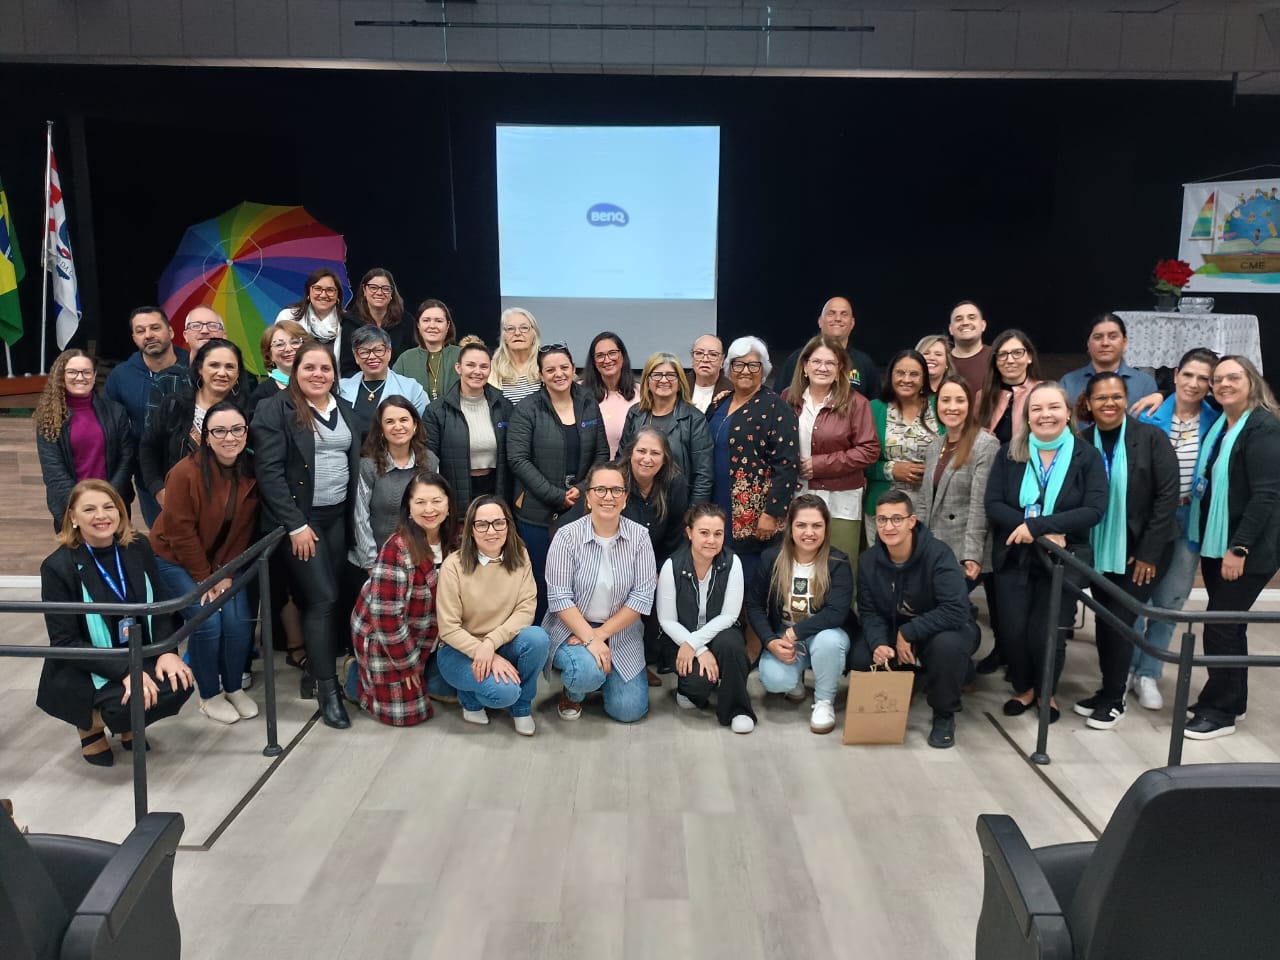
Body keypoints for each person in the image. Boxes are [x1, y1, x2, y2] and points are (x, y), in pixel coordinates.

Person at [36, 480, 195, 766]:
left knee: (180, 681)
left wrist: (167, 651)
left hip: (136, 648)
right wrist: (126, 672)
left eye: (109, 507)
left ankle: (127, 723)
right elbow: (66, 642)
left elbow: (158, 606)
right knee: (128, 702)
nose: (101, 516)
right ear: (72, 517)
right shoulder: (57, 567)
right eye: (89, 509)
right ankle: (91, 726)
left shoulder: (137, 546)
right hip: (89, 664)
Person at [251, 342, 361, 729]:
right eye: (309, 368)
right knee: (323, 598)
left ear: (335, 374)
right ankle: (328, 692)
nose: (318, 374)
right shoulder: (274, 410)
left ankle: (315, 671)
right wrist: (296, 525)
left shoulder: (343, 408)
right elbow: (269, 474)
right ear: (294, 371)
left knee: (330, 597)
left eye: (325, 369)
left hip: (337, 519)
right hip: (302, 523)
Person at [985, 381, 1107, 722]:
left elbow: (1095, 508)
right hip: (1015, 557)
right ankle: (1024, 689)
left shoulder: (1086, 456)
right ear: (1027, 417)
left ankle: (1047, 693)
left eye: (1053, 407)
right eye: (1036, 409)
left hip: (1062, 560)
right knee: (1013, 630)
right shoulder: (1010, 452)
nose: (1045, 415)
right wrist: (1037, 529)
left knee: (1047, 632)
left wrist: (1035, 527)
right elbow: (993, 503)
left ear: (1067, 413)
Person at [1073, 373, 1179, 730]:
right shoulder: (1082, 441)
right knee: (1107, 620)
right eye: (1100, 398)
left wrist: (1148, 553)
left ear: (1126, 398)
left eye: (1116, 397)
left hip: (1143, 553)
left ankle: (1116, 699)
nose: (1109, 404)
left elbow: (1166, 498)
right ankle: (1108, 690)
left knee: (1118, 620)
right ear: (1088, 402)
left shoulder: (1151, 437)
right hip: (1100, 550)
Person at [1183, 356, 1280, 740]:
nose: (1223, 384)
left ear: (1252, 381)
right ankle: (1230, 699)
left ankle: (1219, 712)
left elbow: (1267, 495)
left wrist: (1238, 548)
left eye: (1232, 378)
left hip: (1245, 548)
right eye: (1217, 379)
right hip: (1216, 539)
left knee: (1221, 625)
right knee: (1230, 624)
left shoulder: (1263, 428)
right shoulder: (1225, 423)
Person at [149, 401, 261, 725]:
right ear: (205, 436)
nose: (230, 437)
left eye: (237, 429)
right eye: (220, 431)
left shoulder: (251, 470)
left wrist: (225, 573)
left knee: (239, 622)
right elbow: (179, 532)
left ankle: (233, 687)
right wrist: (205, 578)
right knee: (208, 623)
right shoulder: (184, 472)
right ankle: (209, 694)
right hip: (175, 560)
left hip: (223, 564)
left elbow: (245, 530)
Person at [854, 491, 980, 749]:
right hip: (895, 628)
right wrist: (879, 643)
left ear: (912, 521)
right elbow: (869, 612)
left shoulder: (938, 554)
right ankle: (913, 675)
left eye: (897, 519)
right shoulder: (868, 561)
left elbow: (956, 609)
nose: (888, 527)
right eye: (882, 520)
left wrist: (908, 633)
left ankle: (944, 713)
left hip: (946, 628)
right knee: (860, 656)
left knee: (947, 649)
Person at [1130, 348, 1220, 710]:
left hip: (1189, 518)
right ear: (1177, 374)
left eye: (1204, 379)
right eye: (1189, 375)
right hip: (1150, 519)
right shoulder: (1150, 413)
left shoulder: (1216, 420)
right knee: (1136, 596)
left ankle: (1149, 672)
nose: (1195, 384)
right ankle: (1126, 667)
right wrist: (1161, 395)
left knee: (1171, 600)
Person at [543, 462, 657, 723]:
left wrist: (601, 635)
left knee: (629, 710)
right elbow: (559, 597)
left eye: (617, 490)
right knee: (585, 672)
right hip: (572, 629)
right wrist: (589, 638)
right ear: (589, 497)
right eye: (601, 490)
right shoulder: (566, 536)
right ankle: (576, 690)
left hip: (620, 631)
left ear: (625, 498)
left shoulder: (639, 537)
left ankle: (605, 675)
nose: (609, 497)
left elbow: (642, 597)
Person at [434, 495, 551, 735]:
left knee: (538, 638)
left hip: (500, 642)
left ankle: (522, 707)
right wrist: (483, 651)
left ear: (508, 525)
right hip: (459, 651)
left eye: (499, 523)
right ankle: (470, 700)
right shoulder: (453, 566)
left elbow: (526, 609)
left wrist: (492, 643)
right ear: (471, 529)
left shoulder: (520, 556)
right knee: (503, 693)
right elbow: (448, 628)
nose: (491, 531)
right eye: (482, 524)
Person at [348, 473, 457, 726]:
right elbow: (386, 620)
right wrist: (407, 665)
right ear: (408, 508)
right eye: (420, 502)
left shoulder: (456, 541)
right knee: (408, 716)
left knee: (463, 691)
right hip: (385, 637)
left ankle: (426, 674)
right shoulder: (396, 549)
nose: (429, 509)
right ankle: (357, 676)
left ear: (449, 504)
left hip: (429, 635)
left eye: (436, 501)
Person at [507, 343, 608, 614]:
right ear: (540, 375)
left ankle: (573, 640)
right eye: (550, 370)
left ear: (574, 370)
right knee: (541, 579)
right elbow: (517, 459)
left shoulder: (588, 402)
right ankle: (542, 643)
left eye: (564, 367)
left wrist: (582, 488)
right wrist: (556, 495)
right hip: (536, 513)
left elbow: (601, 454)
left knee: (577, 579)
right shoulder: (527, 409)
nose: (558, 374)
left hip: (581, 508)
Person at [747, 494, 853, 735]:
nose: (809, 532)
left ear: (826, 527)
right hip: (782, 636)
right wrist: (770, 642)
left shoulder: (838, 562)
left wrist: (795, 633)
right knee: (774, 680)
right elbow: (754, 605)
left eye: (817, 525)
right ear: (789, 527)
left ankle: (824, 701)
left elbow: (836, 613)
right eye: (801, 525)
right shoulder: (771, 558)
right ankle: (794, 679)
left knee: (829, 641)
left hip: (822, 634)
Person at [706, 336, 799, 586]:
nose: (745, 371)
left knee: (750, 587)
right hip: (716, 505)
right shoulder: (719, 401)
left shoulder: (776, 407)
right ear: (729, 368)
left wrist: (772, 513)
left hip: (754, 516)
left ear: (764, 370)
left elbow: (788, 466)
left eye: (753, 365)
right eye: (738, 364)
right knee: (718, 579)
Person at [782, 334, 879, 570]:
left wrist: (819, 465)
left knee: (840, 567)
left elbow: (869, 450)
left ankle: (842, 609)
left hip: (841, 500)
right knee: (800, 566)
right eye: (816, 362)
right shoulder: (787, 398)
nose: (822, 368)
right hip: (797, 496)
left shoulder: (858, 403)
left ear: (840, 369)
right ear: (805, 366)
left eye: (830, 363)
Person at [656, 503, 755, 733]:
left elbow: (730, 615)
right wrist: (698, 649)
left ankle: (738, 710)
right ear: (689, 533)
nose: (711, 540)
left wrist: (696, 643)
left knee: (731, 643)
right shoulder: (673, 565)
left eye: (718, 534)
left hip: (720, 633)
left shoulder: (732, 563)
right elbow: (667, 620)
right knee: (697, 686)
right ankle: (694, 686)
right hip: (682, 638)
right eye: (704, 533)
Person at [104, 306, 189, 524]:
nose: (148, 335)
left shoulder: (194, 366)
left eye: (155, 328)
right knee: (161, 540)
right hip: (148, 475)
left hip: (193, 471)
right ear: (134, 338)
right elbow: (111, 427)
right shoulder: (122, 376)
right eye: (140, 331)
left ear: (170, 332)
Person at [140, 338, 249, 507]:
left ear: (238, 373)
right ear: (200, 368)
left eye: (230, 366)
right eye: (214, 365)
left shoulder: (249, 412)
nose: (222, 373)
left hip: (230, 508)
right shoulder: (175, 405)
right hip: (177, 503)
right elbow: (148, 448)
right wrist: (158, 489)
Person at [35, 350, 135, 527]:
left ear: (95, 376)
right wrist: (82, 506)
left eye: (86, 372)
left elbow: (126, 458)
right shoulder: (48, 418)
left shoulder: (116, 412)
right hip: (71, 508)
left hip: (113, 505)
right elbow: (53, 471)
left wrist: (107, 501)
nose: (80, 377)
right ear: (61, 376)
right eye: (72, 372)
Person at [919, 375, 998, 586]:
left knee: (948, 611)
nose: (952, 407)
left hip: (963, 550)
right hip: (932, 548)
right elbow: (925, 501)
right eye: (945, 400)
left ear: (970, 405)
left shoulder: (985, 445)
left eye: (960, 400)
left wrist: (971, 554)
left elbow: (979, 506)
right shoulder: (934, 447)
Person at [350, 395, 440, 572]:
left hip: (419, 556)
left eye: (404, 420)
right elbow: (360, 518)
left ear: (414, 425)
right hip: (377, 559)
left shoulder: (430, 462)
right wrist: (371, 564)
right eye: (390, 421)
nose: (398, 426)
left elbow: (437, 510)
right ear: (381, 429)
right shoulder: (368, 466)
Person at [424, 336, 513, 510]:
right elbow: (428, 461)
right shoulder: (437, 411)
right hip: (455, 490)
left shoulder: (504, 405)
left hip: (496, 487)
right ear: (458, 368)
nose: (477, 371)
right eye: (470, 365)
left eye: (484, 366)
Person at [865, 349, 941, 542]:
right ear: (890, 375)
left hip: (931, 507)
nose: (906, 379)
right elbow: (859, 460)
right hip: (883, 507)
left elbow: (954, 451)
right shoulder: (874, 409)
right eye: (900, 373)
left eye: (914, 374)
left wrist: (934, 469)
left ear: (924, 378)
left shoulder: (939, 405)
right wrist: (891, 470)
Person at [618, 351, 713, 504]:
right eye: (657, 375)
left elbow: (703, 475)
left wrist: (694, 515)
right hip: (636, 503)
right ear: (647, 381)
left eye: (670, 375)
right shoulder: (635, 414)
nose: (663, 380)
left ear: (680, 381)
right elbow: (622, 459)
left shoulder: (694, 419)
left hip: (678, 506)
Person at [773, 296, 879, 399]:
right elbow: (777, 401)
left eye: (844, 314)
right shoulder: (799, 358)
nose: (838, 318)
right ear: (820, 321)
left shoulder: (864, 363)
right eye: (831, 313)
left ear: (852, 323)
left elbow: (876, 409)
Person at [337, 325, 429, 440]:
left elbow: (424, 431)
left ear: (389, 352)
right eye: (364, 352)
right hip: (351, 456)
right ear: (356, 356)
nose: (372, 357)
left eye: (378, 350)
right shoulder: (340, 389)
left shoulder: (412, 389)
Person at [1059, 313, 1159, 405]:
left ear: (1124, 342)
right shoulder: (1068, 383)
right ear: (1088, 343)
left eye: (1113, 337)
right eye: (1098, 337)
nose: (1105, 343)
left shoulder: (1144, 383)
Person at [274, 268, 354, 374]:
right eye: (317, 289)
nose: (323, 295)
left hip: (336, 385)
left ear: (338, 295)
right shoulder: (288, 317)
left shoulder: (349, 322)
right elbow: (277, 353)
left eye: (330, 290)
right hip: (291, 384)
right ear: (308, 292)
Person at [977, 329, 1044, 445]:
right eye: (1002, 354)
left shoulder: (1044, 392)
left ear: (1030, 357)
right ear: (995, 361)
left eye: (1017, 353)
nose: (1010, 360)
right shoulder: (982, 396)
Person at [582, 331, 640, 457]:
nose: (607, 360)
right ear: (593, 361)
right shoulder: (579, 392)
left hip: (630, 471)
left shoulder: (641, 392)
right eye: (600, 355)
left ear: (622, 356)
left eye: (612, 353)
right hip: (591, 472)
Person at [392, 298, 460, 403]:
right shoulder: (405, 359)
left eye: (439, 321)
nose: (432, 326)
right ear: (418, 325)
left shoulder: (461, 356)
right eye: (426, 320)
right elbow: (394, 398)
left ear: (447, 326)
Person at [347, 267, 415, 371]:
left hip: (399, 384)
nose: (379, 292)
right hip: (359, 384)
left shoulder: (406, 322)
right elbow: (346, 367)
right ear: (364, 290)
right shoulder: (349, 323)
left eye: (385, 288)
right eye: (373, 287)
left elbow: (412, 360)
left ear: (391, 292)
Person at [247, 319, 308, 412]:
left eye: (295, 342)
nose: (288, 349)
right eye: (279, 344)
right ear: (269, 354)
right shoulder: (261, 395)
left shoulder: (318, 383)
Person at [488, 307, 542, 405]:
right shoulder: (491, 369)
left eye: (524, 328)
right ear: (504, 337)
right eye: (510, 329)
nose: (517, 333)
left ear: (534, 334)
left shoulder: (547, 366)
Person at [947, 300, 991, 391]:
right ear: (950, 329)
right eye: (959, 319)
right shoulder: (941, 361)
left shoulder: (997, 357)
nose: (965, 323)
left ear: (983, 325)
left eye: (971, 318)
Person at [688, 334, 732, 413]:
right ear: (692, 358)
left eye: (713, 354)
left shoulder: (732, 390)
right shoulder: (678, 386)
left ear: (722, 361)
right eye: (699, 353)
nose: (705, 359)